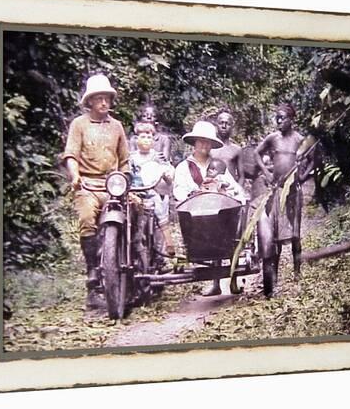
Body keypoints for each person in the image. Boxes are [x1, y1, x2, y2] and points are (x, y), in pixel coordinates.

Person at [62, 74, 130, 309]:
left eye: (106, 98)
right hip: (88, 185)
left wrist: (124, 179)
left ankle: (136, 263)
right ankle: (93, 275)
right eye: (98, 99)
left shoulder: (117, 126)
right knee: (87, 219)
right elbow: (71, 154)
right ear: (89, 102)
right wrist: (75, 176)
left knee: (139, 209)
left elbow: (125, 161)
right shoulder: (79, 125)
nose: (103, 103)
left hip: (113, 185)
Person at [173, 121, 245, 296]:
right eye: (200, 141)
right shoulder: (184, 167)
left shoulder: (218, 165)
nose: (204, 145)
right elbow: (178, 190)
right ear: (194, 143)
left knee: (225, 228)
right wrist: (193, 195)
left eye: (208, 142)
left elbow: (234, 188)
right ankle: (215, 284)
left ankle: (231, 278)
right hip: (195, 217)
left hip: (218, 215)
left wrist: (231, 193)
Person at [254, 103, 314, 294]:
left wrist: (303, 177)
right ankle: (275, 276)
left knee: (295, 234)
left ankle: (297, 274)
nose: (279, 121)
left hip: (294, 191)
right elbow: (256, 153)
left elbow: (314, 158)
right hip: (277, 189)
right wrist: (265, 171)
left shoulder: (299, 139)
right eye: (277, 118)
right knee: (276, 236)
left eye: (282, 118)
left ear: (291, 119)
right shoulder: (273, 139)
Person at [129, 122, 176, 256]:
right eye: (143, 137)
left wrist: (168, 175)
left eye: (149, 137)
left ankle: (168, 242)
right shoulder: (131, 157)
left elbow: (167, 168)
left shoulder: (157, 156)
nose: (146, 140)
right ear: (136, 139)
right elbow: (126, 172)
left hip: (152, 190)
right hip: (135, 191)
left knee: (158, 204)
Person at [210, 111, 245, 186]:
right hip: (211, 189)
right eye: (221, 123)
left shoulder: (237, 150)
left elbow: (241, 176)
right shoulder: (209, 148)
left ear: (232, 126)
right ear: (216, 125)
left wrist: (238, 191)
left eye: (227, 124)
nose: (224, 126)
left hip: (230, 190)